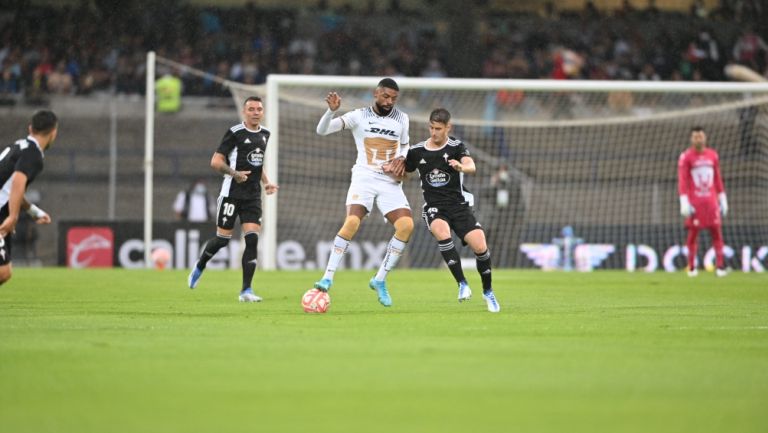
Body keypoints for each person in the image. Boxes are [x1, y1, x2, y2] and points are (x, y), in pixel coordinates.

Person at [313, 78, 413, 307]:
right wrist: (330, 112)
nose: (389, 102)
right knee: (352, 222)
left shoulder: (402, 119)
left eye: (394, 98)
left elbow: (405, 145)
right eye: (386, 96)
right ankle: (327, 277)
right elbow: (322, 131)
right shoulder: (358, 116)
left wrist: (401, 158)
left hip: (389, 181)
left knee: (406, 226)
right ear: (376, 94)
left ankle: (379, 280)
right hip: (364, 178)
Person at [402, 108, 500, 313]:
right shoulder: (417, 151)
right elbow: (405, 173)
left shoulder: (456, 146)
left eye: (438, 128)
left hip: (459, 206)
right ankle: (462, 284)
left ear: (448, 127)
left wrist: (462, 168)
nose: (434, 132)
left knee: (480, 246)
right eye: (431, 127)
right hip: (434, 207)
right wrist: (393, 172)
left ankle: (488, 291)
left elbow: (471, 165)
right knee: (442, 232)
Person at [187, 96, 279, 301]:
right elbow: (216, 161)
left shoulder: (265, 134)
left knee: (252, 239)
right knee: (222, 240)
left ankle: (246, 290)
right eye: (251, 109)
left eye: (259, 109)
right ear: (245, 112)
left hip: (253, 196)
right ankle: (200, 264)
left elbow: (258, 162)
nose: (256, 112)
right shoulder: (235, 133)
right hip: (231, 194)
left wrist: (266, 182)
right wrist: (234, 173)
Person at [0, 110, 56, 285]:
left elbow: (10, 188)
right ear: (54, 132)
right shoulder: (34, 154)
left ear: (30, 128)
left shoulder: (19, 146)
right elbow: (18, 181)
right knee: (3, 272)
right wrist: (13, 217)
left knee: (4, 271)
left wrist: (33, 211)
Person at [678, 126, 728, 277]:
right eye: (695, 136)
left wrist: (722, 197)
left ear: (705, 137)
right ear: (691, 139)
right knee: (693, 234)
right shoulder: (686, 157)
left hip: (711, 201)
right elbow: (683, 180)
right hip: (695, 202)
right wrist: (684, 200)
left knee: (717, 233)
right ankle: (692, 267)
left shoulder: (713, 155)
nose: (698, 139)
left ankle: (720, 266)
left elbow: (717, 178)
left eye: (700, 136)